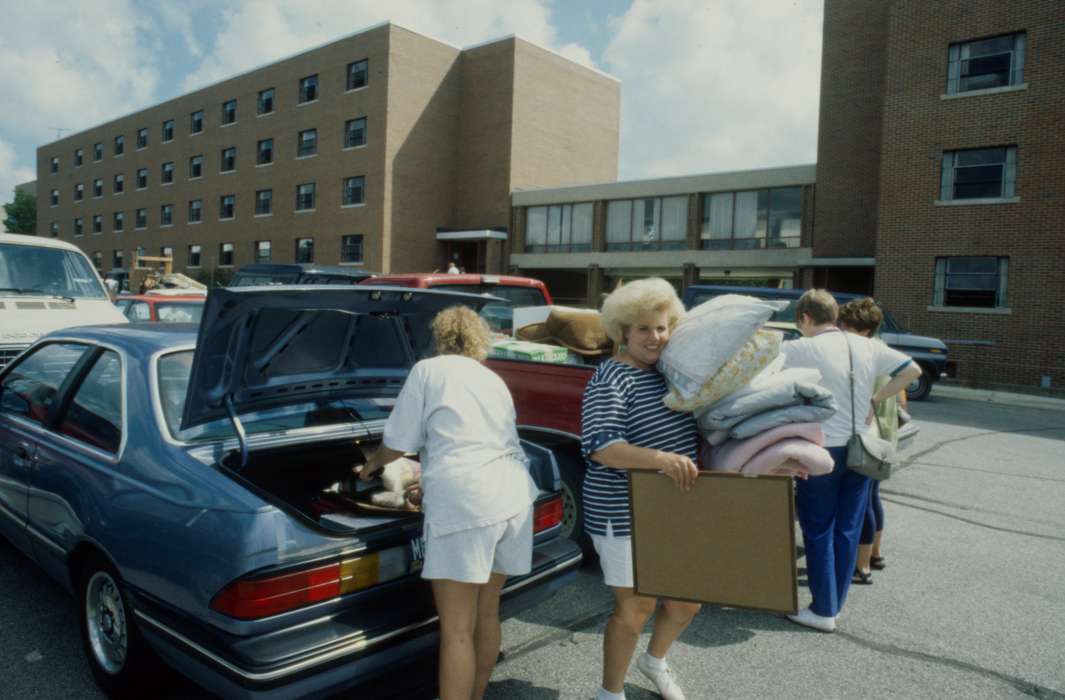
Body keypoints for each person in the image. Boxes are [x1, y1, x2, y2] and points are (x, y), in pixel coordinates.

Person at [357, 306, 538, 700]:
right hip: (513, 496)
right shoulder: (492, 379)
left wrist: (370, 467)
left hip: (468, 502)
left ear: (439, 338)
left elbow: (399, 442)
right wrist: (435, 487)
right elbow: (477, 440)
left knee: (456, 629)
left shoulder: (428, 370)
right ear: (478, 339)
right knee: (486, 613)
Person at [581, 277, 702, 700]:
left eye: (662, 327)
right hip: (620, 507)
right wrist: (661, 460)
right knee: (636, 607)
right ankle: (609, 693)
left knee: (687, 602)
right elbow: (601, 447)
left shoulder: (670, 377)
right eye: (644, 329)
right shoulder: (611, 376)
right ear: (624, 332)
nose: (655, 338)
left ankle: (654, 662)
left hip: (673, 508)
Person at [781, 290, 921, 632]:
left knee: (817, 529)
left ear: (805, 319)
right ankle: (835, 605)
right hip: (863, 448)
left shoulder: (803, 346)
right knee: (846, 528)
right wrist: (876, 397)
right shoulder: (869, 346)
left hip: (823, 450)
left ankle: (823, 610)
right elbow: (912, 369)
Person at [838, 297, 907, 584]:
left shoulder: (867, 355)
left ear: (863, 331)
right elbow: (903, 393)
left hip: (869, 440)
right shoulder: (885, 352)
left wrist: (874, 399)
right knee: (873, 497)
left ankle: (861, 567)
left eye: (846, 327)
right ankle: (875, 554)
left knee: (863, 502)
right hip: (885, 437)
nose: (841, 331)